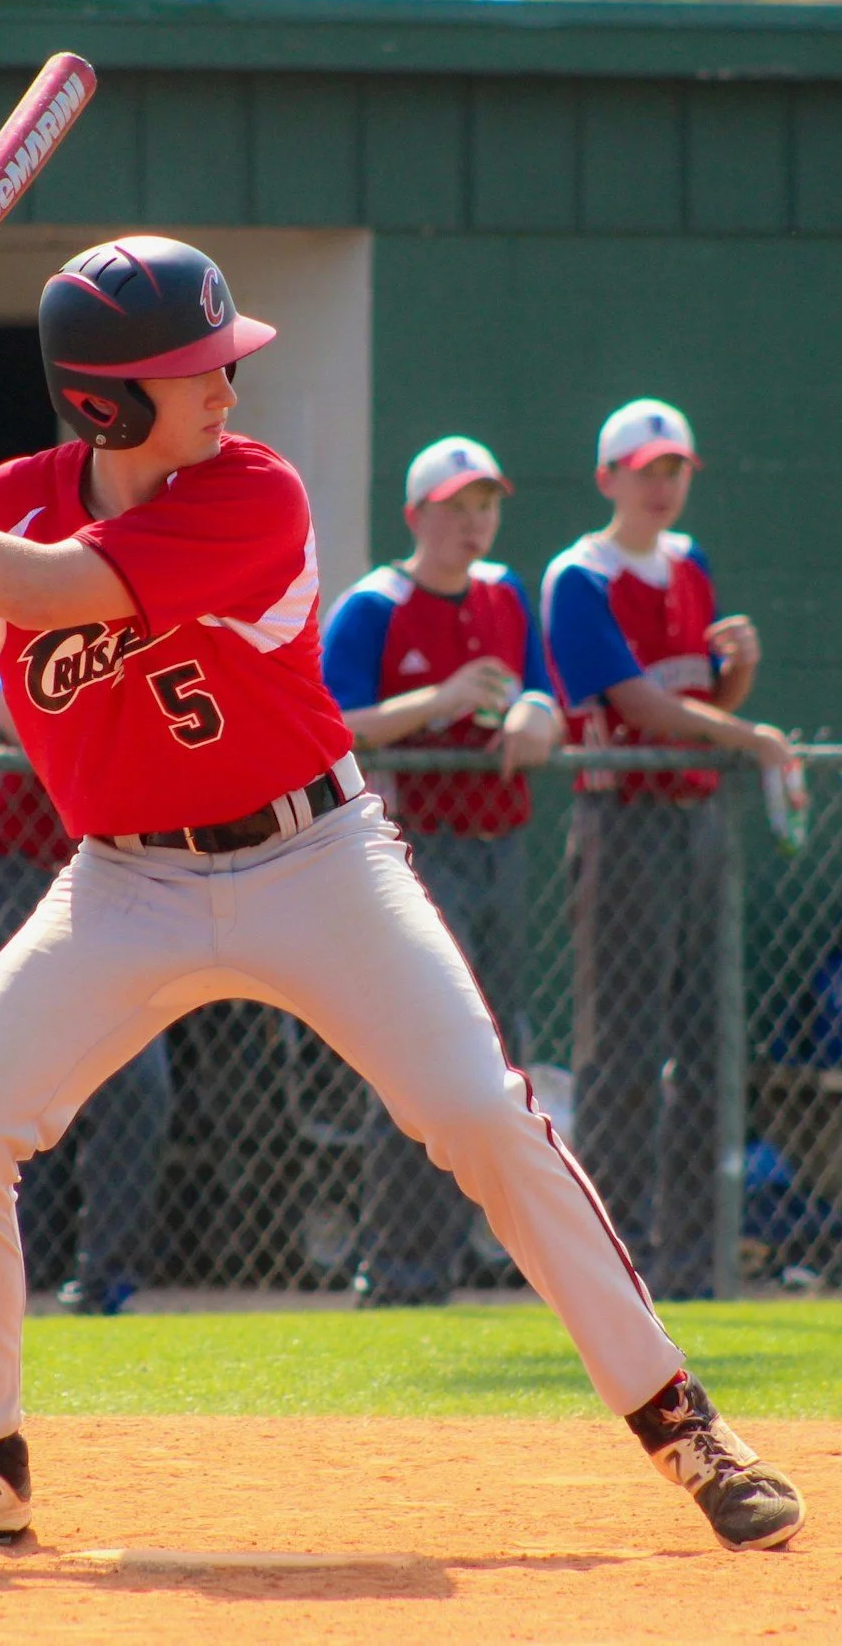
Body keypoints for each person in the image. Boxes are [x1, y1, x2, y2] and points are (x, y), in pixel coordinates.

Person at [0, 235, 803, 1555]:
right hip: (126, 881)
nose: (229, 385)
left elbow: (40, 591)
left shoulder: (251, 491)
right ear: (105, 397)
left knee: (481, 1113)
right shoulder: (13, 498)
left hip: (317, 862)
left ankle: (685, 1424)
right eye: (197, 368)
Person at [540, 398, 800, 1300]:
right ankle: (609, 1263)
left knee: (704, 1047)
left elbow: (703, 704)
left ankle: (693, 1262)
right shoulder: (580, 574)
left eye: (675, 468)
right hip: (623, 822)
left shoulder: (691, 566)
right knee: (622, 1051)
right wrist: (754, 732)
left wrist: (743, 673)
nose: (662, 484)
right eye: (645, 469)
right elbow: (640, 706)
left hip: (696, 819)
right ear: (608, 477)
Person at [319, 435, 560, 1307]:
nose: (474, 523)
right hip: (408, 852)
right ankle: (399, 1267)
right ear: (417, 514)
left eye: (485, 506)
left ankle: (468, 1257)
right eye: (456, 507)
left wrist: (536, 712)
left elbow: (541, 690)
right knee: (417, 1055)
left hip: (498, 846)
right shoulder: (375, 605)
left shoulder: (506, 594)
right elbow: (332, 725)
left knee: (491, 1057)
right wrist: (442, 699)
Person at [0, 655, 179, 1317]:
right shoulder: (21, 600)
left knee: (139, 1083)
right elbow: (12, 716)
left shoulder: (145, 613)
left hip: (118, 870)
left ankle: (107, 1280)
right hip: (4, 866)